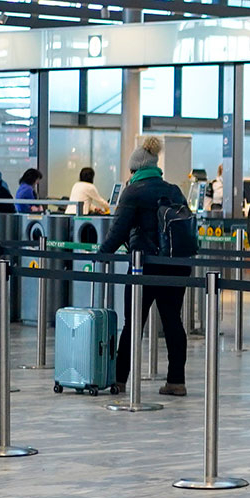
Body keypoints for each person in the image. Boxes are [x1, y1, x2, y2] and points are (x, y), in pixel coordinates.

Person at [97, 137, 190, 397]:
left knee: (133, 322)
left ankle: (120, 380)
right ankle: (176, 381)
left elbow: (118, 232)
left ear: (135, 170)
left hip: (144, 265)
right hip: (176, 264)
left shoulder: (133, 190)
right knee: (173, 321)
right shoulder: (173, 190)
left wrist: (100, 254)